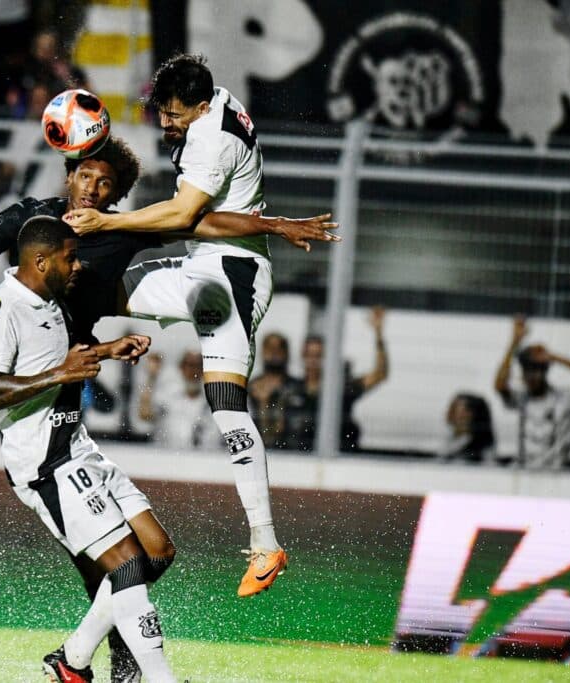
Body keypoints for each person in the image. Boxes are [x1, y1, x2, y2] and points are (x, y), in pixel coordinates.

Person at [0, 134, 336, 678]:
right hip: (7, 376)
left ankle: (115, 653)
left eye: (107, 184)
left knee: (99, 550)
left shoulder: (119, 233)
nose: (94, 189)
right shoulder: (33, 222)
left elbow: (203, 223)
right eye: (86, 177)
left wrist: (276, 226)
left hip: (58, 384)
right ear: (68, 175)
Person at [63, 53, 330, 595]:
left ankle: (265, 543)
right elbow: (206, 220)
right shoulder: (215, 103)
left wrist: (108, 220)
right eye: (163, 110)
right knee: (83, 286)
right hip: (208, 267)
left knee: (226, 404)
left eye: (176, 113)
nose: (167, 122)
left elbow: (185, 217)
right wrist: (273, 223)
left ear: (204, 106)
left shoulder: (212, 139)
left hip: (227, 278)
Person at [0, 216, 175, 682]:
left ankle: (72, 659)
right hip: (45, 463)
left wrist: (107, 350)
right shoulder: (2, 309)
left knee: (156, 552)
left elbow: (58, 357)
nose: (77, 265)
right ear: (40, 261)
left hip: (77, 447)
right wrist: (59, 375)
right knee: (126, 566)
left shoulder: (51, 301)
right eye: (69, 257)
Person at [284, 307, 389, 452]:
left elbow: (380, 374)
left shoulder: (340, 389)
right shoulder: (291, 388)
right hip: (300, 456)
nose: (314, 360)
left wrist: (378, 334)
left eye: (319, 355)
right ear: (303, 356)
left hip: (339, 454)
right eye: (310, 355)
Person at [494, 315, 570, 469]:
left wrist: (553, 357)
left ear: (545, 372)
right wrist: (514, 343)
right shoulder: (521, 399)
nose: (531, 377)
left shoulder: (565, 397)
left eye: (536, 371)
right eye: (527, 371)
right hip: (525, 469)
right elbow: (500, 385)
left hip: (557, 472)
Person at [134, 350, 215, 451]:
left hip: (201, 461)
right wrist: (151, 377)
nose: (194, 370)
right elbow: (145, 415)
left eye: (198, 366)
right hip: (167, 459)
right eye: (189, 365)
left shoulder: (212, 404)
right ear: (181, 368)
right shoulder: (167, 396)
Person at [248, 333, 303, 450]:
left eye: (279, 348)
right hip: (254, 449)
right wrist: (263, 402)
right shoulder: (250, 387)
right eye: (270, 348)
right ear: (262, 351)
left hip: (290, 451)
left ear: (286, 353)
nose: (274, 353)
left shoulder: (296, 387)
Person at [436, 393, 495, 463]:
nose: (448, 412)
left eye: (454, 408)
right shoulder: (452, 439)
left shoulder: (476, 450)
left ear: (470, 414)